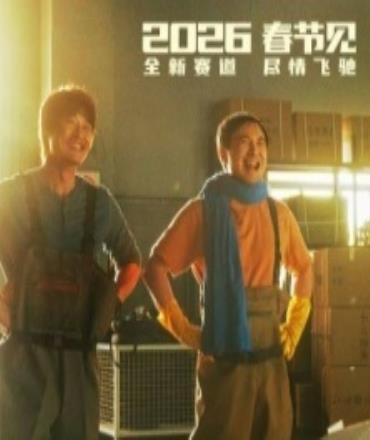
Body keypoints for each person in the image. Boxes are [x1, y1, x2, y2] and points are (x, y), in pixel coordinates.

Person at [144, 111, 313, 439]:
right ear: (224, 154)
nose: (255, 151)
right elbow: (155, 268)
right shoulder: (203, 212)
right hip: (225, 359)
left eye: (261, 143)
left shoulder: (279, 214)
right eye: (244, 143)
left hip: (271, 359)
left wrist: (294, 326)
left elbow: (304, 268)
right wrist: (182, 327)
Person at [0, 85, 142, 439]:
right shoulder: (10, 195)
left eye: (88, 128)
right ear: (47, 130)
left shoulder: (100, 203)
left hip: (80, 358)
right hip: (25, 356)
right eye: (72, 123)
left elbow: (132, 261)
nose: (82, 135)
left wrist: (111, 304)